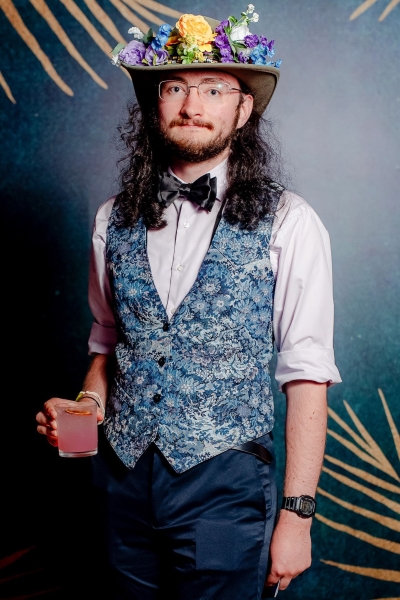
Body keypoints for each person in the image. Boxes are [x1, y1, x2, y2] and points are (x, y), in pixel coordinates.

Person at [36, 8, 341, 600]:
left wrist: (297, 519)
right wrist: (74, 423)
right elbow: (109, 344)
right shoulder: (111, 218)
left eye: (212, 89)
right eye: (174, 86)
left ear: (242, 109)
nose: (191, 103)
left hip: (224, 487)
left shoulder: (291, 222)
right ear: (155, 103)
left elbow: (306, 376)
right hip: (118, 485)